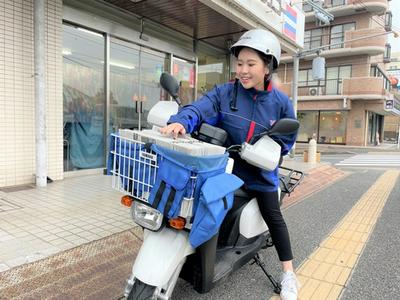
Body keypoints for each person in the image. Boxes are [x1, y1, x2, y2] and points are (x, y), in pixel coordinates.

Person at [160, 29, 299, 300]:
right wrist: (180, 122)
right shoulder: (225, 93)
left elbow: (288, 137)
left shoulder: (281, 103)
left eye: (251, 64)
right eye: (239, 63)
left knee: (274, 216)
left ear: (267, 66)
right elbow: (198, 109)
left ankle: (289, 274)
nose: (243, 71)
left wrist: (271, 152)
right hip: (225, 168)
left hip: (260, 174)